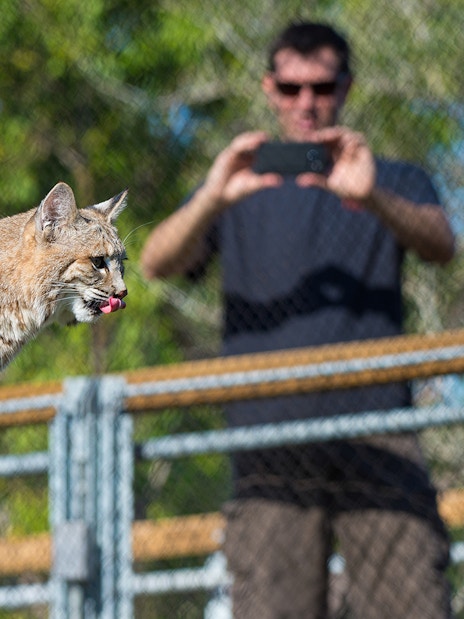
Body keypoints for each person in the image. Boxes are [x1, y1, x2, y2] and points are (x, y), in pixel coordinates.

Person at [141, 21, 456, 619]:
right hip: (269, 440)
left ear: (347, 86)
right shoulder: (238, 186)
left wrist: (371, 198)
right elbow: (156, 261)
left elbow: (443, 246)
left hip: (377, 429)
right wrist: (213, 194)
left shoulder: (391, 178)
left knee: (413, 605)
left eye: (321, 86)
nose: (307, 103)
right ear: (269, 89)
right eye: (291, 89)